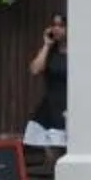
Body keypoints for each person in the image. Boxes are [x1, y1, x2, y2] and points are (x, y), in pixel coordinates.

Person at [24, 13, 69, 157]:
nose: (56, 29)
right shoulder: (50, 51)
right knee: (52, 155)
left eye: (61, 26)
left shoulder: (79, 51)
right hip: (50, 107)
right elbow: (35, 69)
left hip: (69, 107)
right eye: (54, 25)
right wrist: (46, 45)